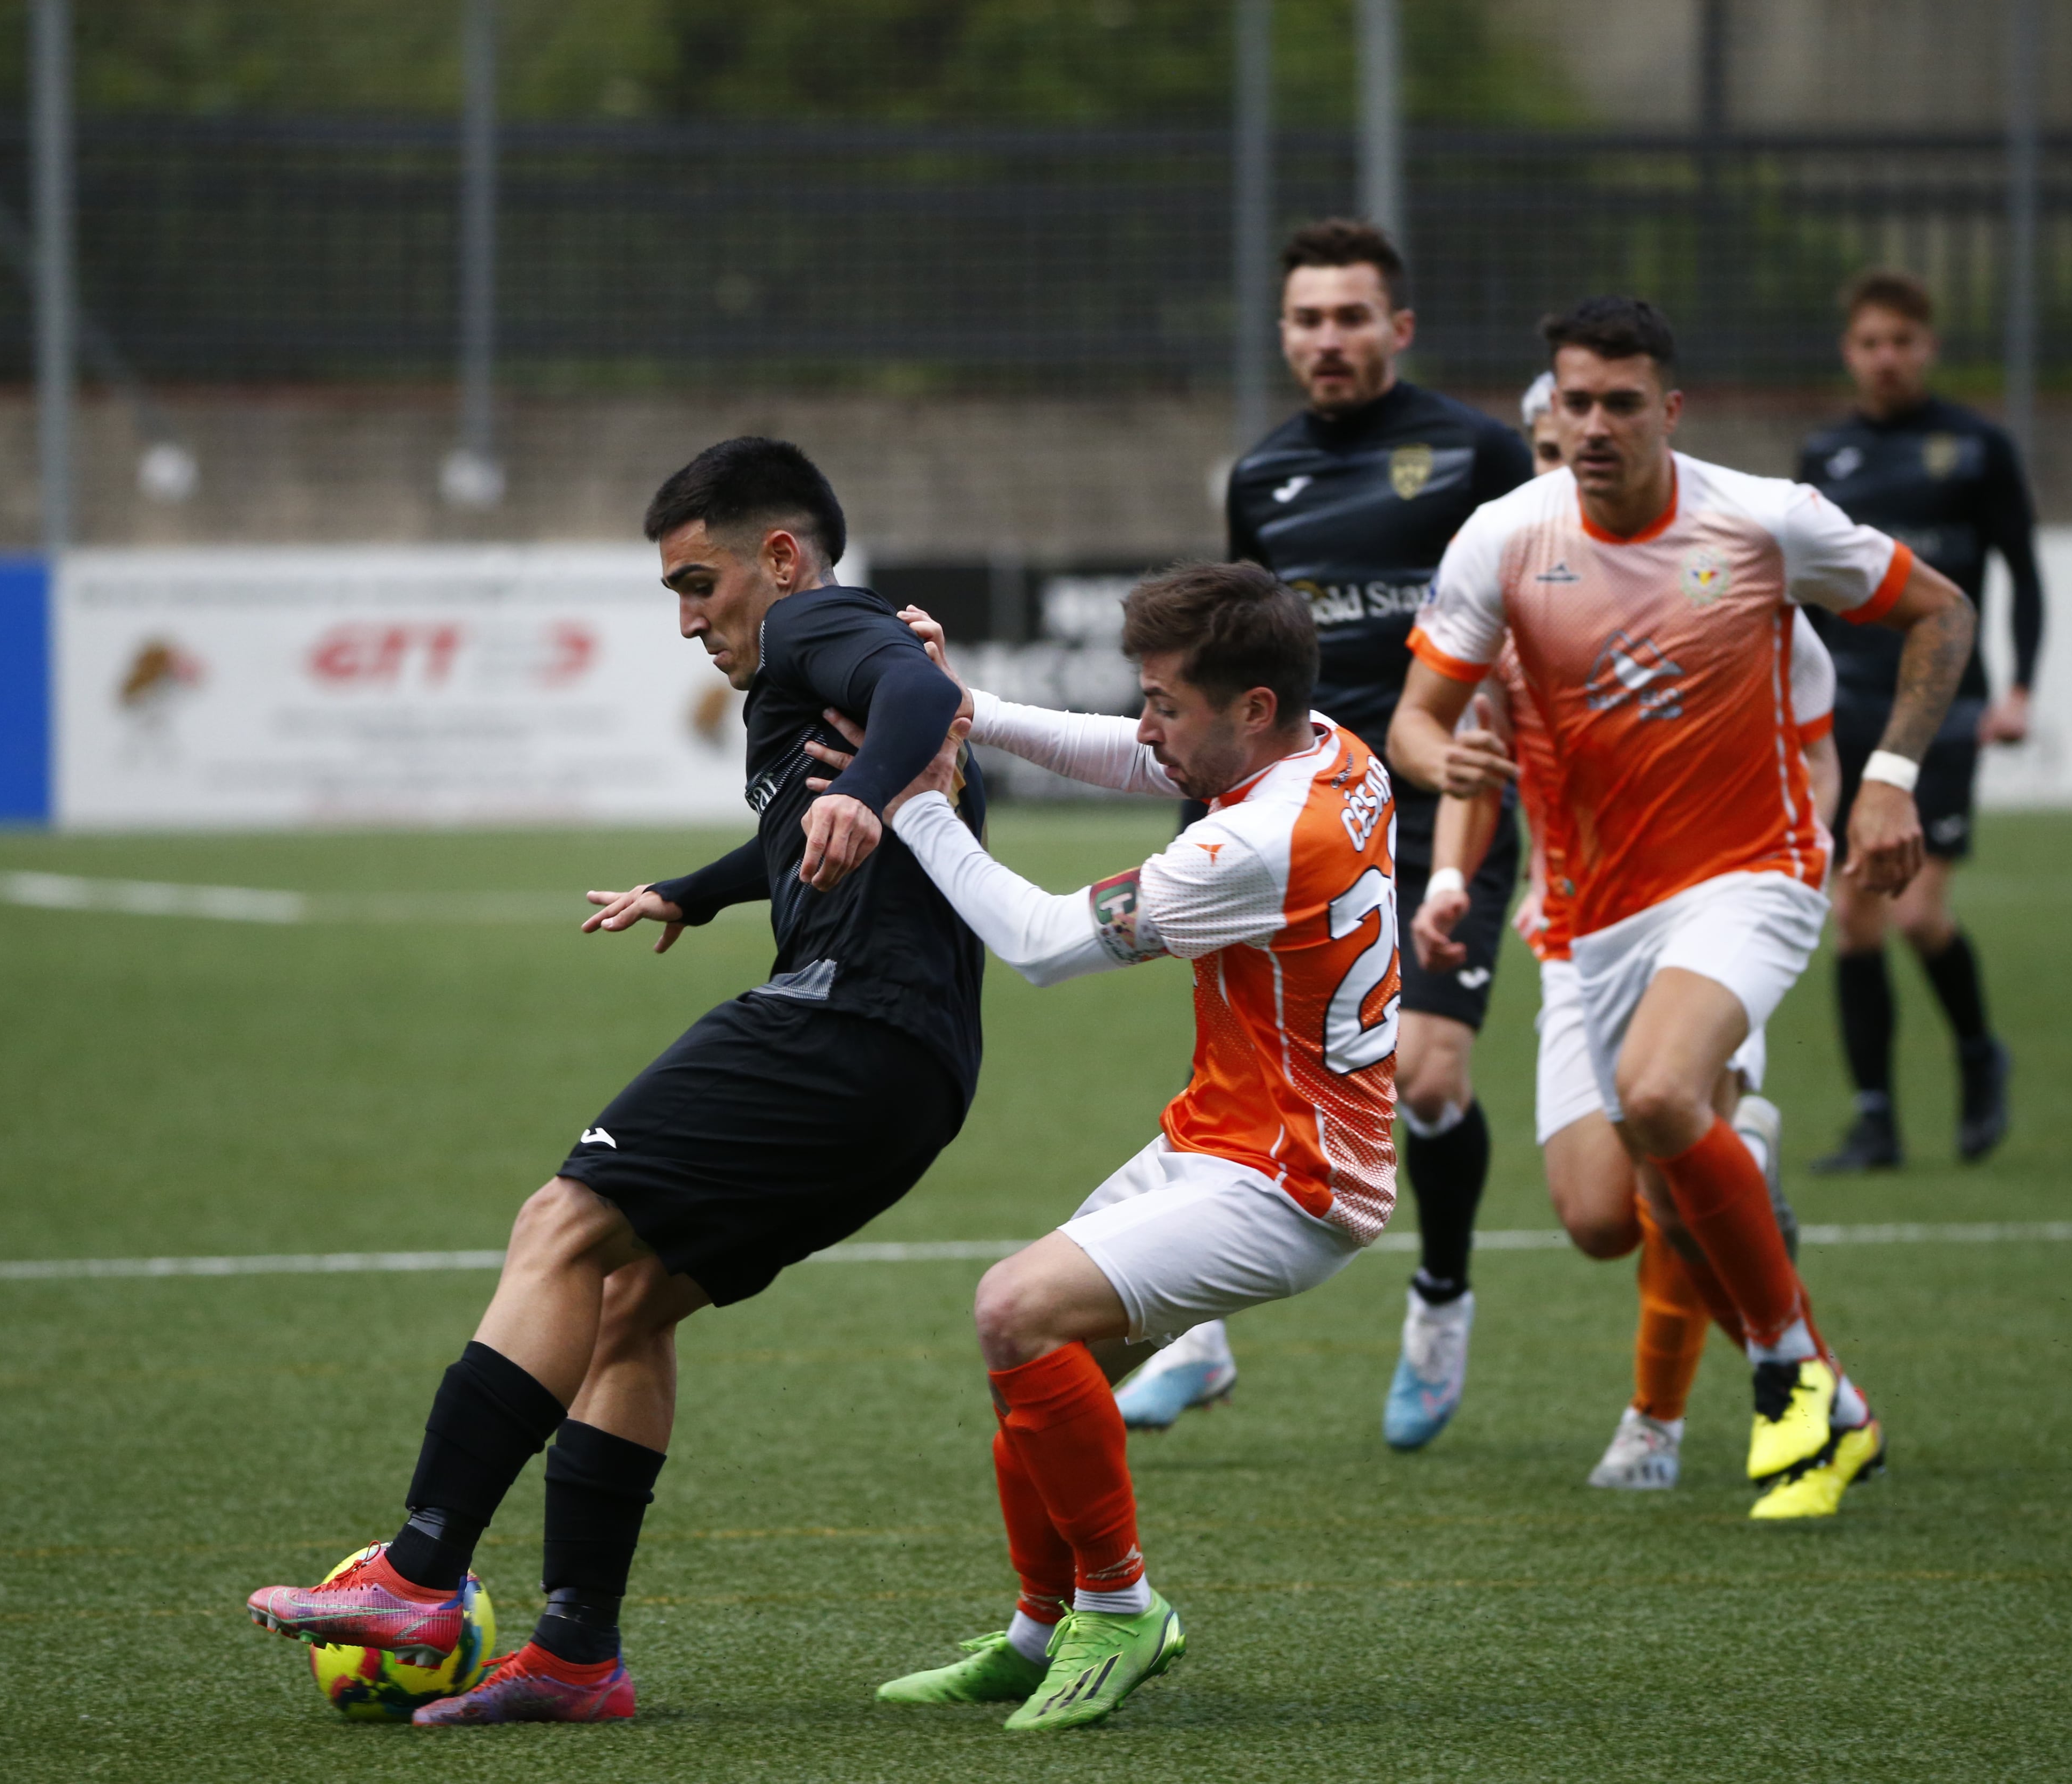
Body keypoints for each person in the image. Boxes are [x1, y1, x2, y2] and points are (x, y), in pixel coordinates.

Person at [239, 438, 986, 1724]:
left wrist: (864, 792)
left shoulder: (821, 621)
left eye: (698, 584)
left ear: (781, 557)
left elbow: (910, 705)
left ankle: (421, 1573)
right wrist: (693, 893)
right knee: (631, 1303)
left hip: (844, 1023)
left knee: (563, 1220)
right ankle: (578, 1652)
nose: (688, 620)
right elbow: (802, 817)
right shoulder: (809, 665)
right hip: (909, 1071)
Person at [1396, 296, 1978, 1519]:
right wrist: (1437, 782)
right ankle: (1826, 1381)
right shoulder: (1503, 540)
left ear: (1670, 408)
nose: (1592, 425)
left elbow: (1941, 610)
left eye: (1619, 402)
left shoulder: (1762, 522)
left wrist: (1885, 784)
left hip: (1746, 878)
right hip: (1584, 921)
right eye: (1573, 402)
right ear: (1546, 409)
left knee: (1663, 1095)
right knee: (1605, 1217)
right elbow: (1422, 718)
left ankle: (1785, 1374)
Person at [841, 563, 1398, 1728]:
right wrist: (968, 710)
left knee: (1015, 1307)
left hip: (1292, 1179)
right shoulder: (1325, 746)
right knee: (1044, 1370)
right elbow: (1140, 755)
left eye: (1164, 702)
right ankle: (1039, 1629)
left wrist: (915, 802)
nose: (1147, 727)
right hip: (1228, 1134)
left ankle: (1121, 1604)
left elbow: (1043, 942)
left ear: (1248, 708)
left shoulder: (1255, 841)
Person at [1121, 217, 1532, 1450]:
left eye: (1352, 316)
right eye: (1307, 319)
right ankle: (1195, 1343)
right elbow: (1230, 658)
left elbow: (1532, 624)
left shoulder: (1477, 453)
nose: (1328, 340)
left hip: (1440, 800)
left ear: (1397, 328)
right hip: (1290, 831)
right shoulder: (1263, 475)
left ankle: (1441, 1301)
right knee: (1241, 1080)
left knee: (1429, 1070)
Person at [1414, 614, 1840, 1490]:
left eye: (1571, 462)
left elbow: (1815, 755)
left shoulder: (1732, 582)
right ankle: (1741, 1151)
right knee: (1599, 1218)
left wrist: (1780, 876)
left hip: (1708, 922)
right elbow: (1473, 756)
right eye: (1544, 462)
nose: (1564, 475)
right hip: (1578, 935)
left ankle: (1658, 1420)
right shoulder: (1507, 589)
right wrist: (1450, 880)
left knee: (1667, 1155)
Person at [1798, 268, 2040, 1172]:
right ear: (1849, 352)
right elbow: (1801, 595)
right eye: (1870, 343)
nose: (1886, 358)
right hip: (1848, 706)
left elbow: (2022, 571)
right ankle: (1876, 1121)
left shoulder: (1977, 448)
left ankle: (1979, 1054)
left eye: (1902, 342)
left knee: (1917, 913)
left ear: (1927, 347)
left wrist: (2022, 690)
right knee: (1853, 923)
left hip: (1941, 703)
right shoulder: (1826, 455)